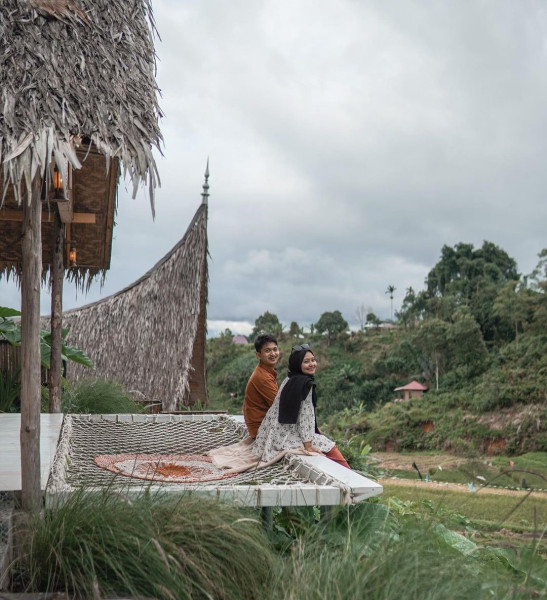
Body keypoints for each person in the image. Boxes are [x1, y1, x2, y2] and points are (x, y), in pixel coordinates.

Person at [253, 344, 350, 468]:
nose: (312, 364)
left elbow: (274, 410)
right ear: (297, 364)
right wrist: (308, 446)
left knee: (322, 441)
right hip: (289, 438)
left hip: (274, 437)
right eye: (306, 362)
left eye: (313, 360)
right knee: (330, 447)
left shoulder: (289, 379)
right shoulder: (305, 384)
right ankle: (349, 473)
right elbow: (305, 417)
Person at [242, 334, 280, 438]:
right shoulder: (263, 377)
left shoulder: (265, 372)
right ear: (258, 355)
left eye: (275, 349)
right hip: (261, 430)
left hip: (264, 425)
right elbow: (279, 406)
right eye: (267, 351)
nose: (273, 354)